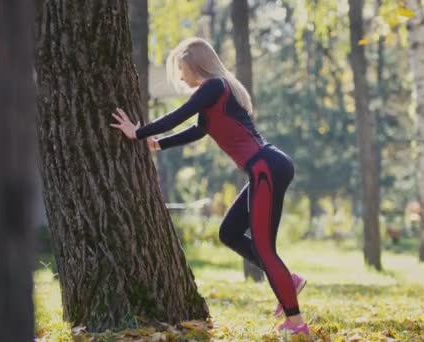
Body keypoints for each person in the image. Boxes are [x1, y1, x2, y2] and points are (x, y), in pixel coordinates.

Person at [110, 37, 309, 335]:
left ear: (194, 64)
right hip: (267, 167)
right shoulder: (215, 94)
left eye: (181, 69)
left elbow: (178, 116)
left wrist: (138, 133)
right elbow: (197, 130)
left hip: (266, 167)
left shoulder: (214, 87)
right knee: (229, 233)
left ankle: (297, 325)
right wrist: (157, 144)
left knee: (266, 249)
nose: (179, 76)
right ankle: (288, 281)